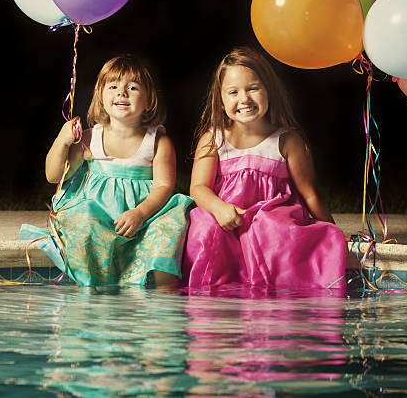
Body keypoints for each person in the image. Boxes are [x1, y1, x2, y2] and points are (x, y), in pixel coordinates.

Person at [182, 47, 347, 293]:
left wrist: (334, 233)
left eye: (253, 88)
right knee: (205, 227)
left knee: (267, 226)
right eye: (233, 92)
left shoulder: (287, 141)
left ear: (269, 90)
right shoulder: (213, 139)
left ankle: (270, 292)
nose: (244, 99)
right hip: (227, 217)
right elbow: (198, 188)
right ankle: (209, 292)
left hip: (271, 218)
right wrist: (220, 209)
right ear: (221, 98)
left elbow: (310, 193)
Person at [20, 55, 193, 289]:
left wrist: (140, 214)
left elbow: (164, 186)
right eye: (113, 86)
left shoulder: (158, 142)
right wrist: (62, 141)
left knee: (168, 229)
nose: (122, 93)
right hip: (100, 213)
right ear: (101, 96)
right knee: (84, 228)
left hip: (145, 213)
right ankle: (91, 293)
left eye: (132, 87)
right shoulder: (91, 138)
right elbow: (53, 176)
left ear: (149, 99)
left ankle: (163, 299)